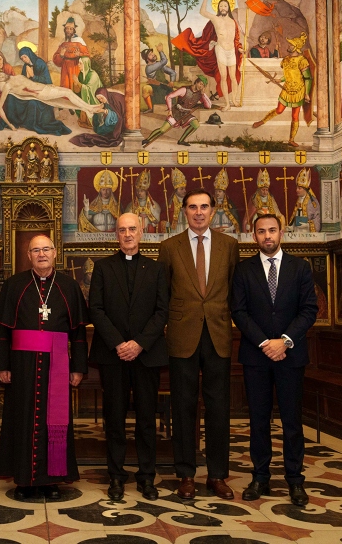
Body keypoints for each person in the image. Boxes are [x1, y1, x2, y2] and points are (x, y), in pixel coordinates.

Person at [157, 188, 239, 500]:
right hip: (182, 336)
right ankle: (186, 474)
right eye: (193, 207)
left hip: (218, 335)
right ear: (184, 211)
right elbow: (163, 293)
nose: (199, 212)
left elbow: (232, 289)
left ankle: (217, 475)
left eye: (205, 207)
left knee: (219, 407)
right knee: (183, 407)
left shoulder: (229, 246)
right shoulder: (169, 247)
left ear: (214, 210)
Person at [231, 214, 317, 507]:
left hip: (291, 356)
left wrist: (285, 341)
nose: (267, 236)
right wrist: (265, 343)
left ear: (282, 232)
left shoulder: (300, 268)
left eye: (271, 230)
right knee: (258, 420)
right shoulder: (243, 270)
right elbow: (239, 312)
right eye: (261, 232)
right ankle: (260, 477)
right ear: (252, 236)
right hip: (256, 356)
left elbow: (309, 310)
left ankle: (295, 480)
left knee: (292, 421)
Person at [0, 235, 88, 501]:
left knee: (54, 422)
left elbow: (78, 332)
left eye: (46, 249)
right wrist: (2, 365)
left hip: (57, 362)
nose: (42, 254)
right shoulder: (15, 285)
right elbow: (3, 330)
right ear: (29, 255)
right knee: (22, 420)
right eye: (36, 250)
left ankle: (52, 480)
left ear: (55, 252)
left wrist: (78, 367)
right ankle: (24, 480)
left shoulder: (69, 286)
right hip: (21, 364)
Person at [89, 213, 169, 502]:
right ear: (116, 234)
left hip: (146, 355)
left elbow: (163, 311)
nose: (127, 234)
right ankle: (116, 476)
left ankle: (147, 476)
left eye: (132, 229)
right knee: (115, 418)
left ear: (141, 232)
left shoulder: (157, 269)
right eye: (121, 230)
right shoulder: (103, 267)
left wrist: (139, 344)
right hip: (113, 356)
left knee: (146, 419)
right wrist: (120, 344)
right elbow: (95, 309)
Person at [173, 0, 242, 108]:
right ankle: (226, 103)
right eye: (221, 6)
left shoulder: (233, 22)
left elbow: (236, 38)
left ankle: (234, 100)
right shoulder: (216, 19)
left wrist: (240, 49)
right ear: (218, 8)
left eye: (225, 5)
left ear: (229, 7)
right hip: (220, 49)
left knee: (233, 77)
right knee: (224, 77)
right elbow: (203, 11)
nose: (223, 8)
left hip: (231, 51)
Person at [0, 46, 72, 136]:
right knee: (12, 98)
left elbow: (46, 81)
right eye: (22, 58)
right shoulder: (25, 66)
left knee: (32, 103)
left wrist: (33, 76)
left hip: (42, 90)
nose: (24, 59)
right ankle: (16, 120)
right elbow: (23, 81)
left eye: (25, 57)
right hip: (29, 91)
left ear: (29, 54)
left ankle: (33, 123)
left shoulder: (40, 63)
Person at [252, 32, 313, 146]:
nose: (288, 46)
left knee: (295, 116)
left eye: (291, 45)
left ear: (296, 47)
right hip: (286, 89)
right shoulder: (285, 60)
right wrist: (280, 80)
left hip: (298, 91)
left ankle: (291, 139)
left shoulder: (302, 60)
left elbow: (308, 78)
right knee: (279, 110)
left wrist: (307, 94)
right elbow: (289, 75)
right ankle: (262, 121)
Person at [0, 72, 103, 131]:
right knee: (68, 92)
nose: (2, 76)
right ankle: (90, 107)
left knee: (64, 103)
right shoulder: (7, 86)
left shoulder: (16, 76)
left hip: (45, 88)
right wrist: (10, 125)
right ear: (0, 81)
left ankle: (88, 109)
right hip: (42, 93)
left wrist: (47, 85)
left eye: (1, 74)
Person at [142, 76, 212, 148]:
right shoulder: (184, 89)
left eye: (203, 85)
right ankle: (147, 139)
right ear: (196, 82)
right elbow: (169, 97)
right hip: (176, 113)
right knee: (162, 130)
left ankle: (181, 140)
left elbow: (208, 106)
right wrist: (170, 110)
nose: (201, 86)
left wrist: (203, 94)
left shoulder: (200, 94)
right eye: (200, 84)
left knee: (196, 124)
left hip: (186, 114)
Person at [52, 17, 90, 91]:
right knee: (65, 88)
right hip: (65, 69)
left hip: (75, 68)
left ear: (74, 30)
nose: (68, 31)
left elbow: (87, 55)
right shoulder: (63, 42)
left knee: (75, 88)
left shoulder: (79, 41)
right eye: (67, 29)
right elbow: (55, 59)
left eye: (70, 29)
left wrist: (79, 55)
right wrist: (61, 55)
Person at [141, 44, 176, 111]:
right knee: (146, 88)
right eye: (150, 55)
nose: (153, 54)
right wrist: (160, 51)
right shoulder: (149, 68)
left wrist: (171, 81)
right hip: (156, 89)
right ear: (147, 59)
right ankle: (150, 108)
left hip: (165, 86)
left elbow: (173, 73)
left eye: (152, 53)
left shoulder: (159, 65)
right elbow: (164, 61)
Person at [289, 168, 321, 233]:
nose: (297, 190)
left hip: (307, 232)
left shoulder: (313, 202)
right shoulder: (299, 200)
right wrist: (291, 226)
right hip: (297, 232)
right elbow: (295, 217)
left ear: (305, 189)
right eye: (297, 188)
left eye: (299, 188)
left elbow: (317, 219)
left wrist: (307, 225)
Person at [211, 169, 241, 234]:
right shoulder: (211, 205)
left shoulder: (230, 205)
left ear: (224, 193)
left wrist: (228, 229)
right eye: (216, 191)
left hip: (228, 233)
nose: (217, 193)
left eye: (220, 191)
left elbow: (236, 223)